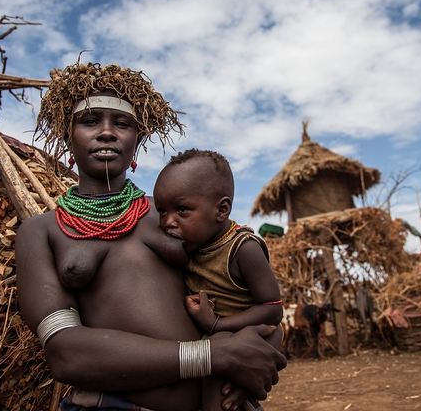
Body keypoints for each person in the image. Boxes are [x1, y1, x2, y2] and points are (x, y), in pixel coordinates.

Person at [15, 62, 286, 411]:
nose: (107, 133)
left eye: (122, 124)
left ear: (137, 140)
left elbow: (245, 287)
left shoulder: (172, 216)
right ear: (68, 135)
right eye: (90, 121)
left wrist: (265, 340)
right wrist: (211, 356)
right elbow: (66, 354)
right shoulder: (42, 232)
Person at [153, 149, 284, 411]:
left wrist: (216, 324)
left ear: (221, 209)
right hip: (217, 341)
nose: (168, 221)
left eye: (182, 209)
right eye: (162, 211)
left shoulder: (243, 249)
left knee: (217, 360)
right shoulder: (189, 247)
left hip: (250, 336)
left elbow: (272, 308)